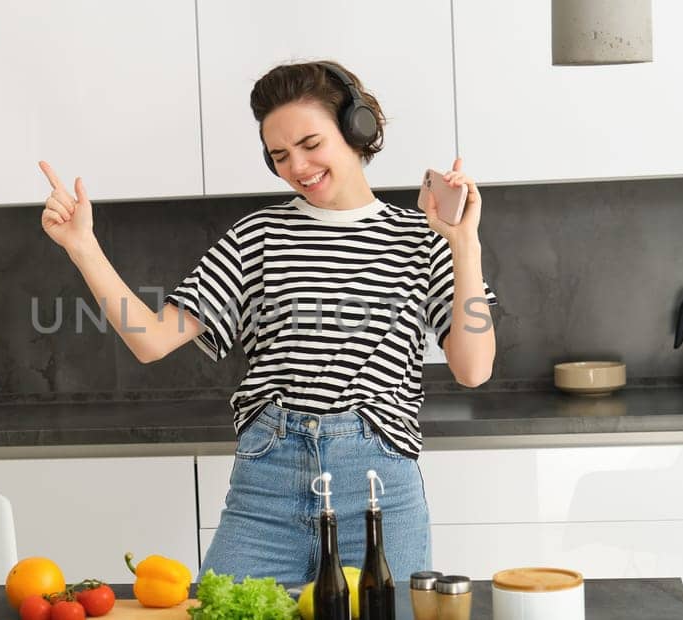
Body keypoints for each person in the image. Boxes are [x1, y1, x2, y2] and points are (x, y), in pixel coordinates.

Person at [37, 60, 497, 583]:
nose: (297, 166)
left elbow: (473, 368)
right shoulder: (258, 236)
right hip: (267, 482)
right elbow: (151, 339)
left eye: (310, 143)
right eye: (279, 155)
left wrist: (464, 243)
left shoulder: (422, 239)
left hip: (376, 489)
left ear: (357, 128)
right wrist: (82, 247)